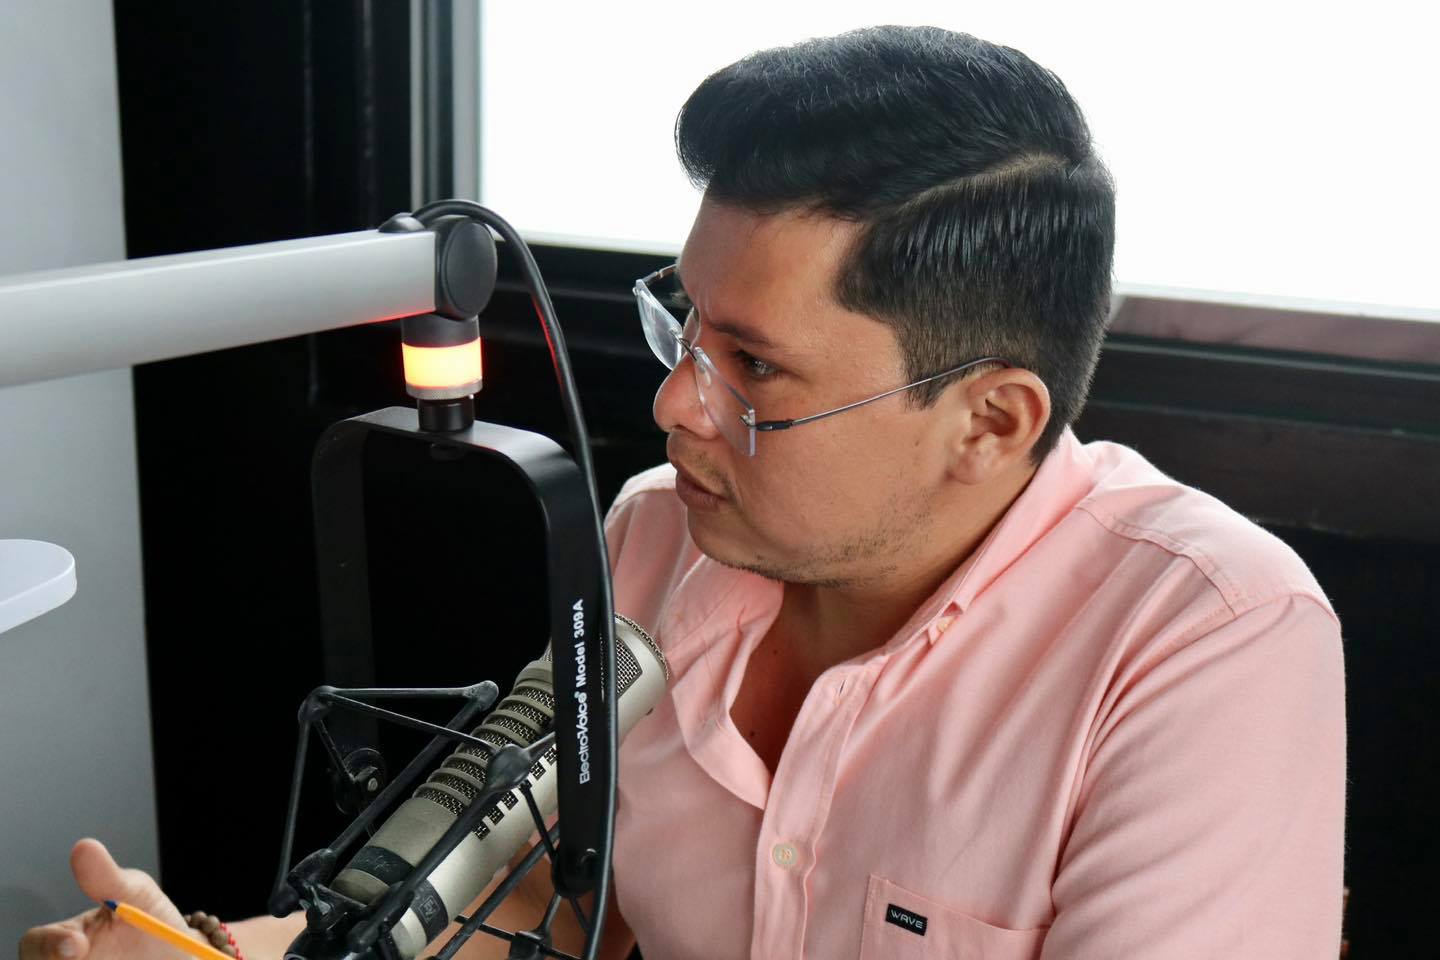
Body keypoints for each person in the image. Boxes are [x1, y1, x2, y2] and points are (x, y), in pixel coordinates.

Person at [20, 24, 1345, 960]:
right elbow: (536, 891)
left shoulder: (1211, 640)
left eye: (753, 368)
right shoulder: (660, 534)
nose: (673, 406)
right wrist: (229, 952)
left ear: (989, 424)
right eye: (685, 328)